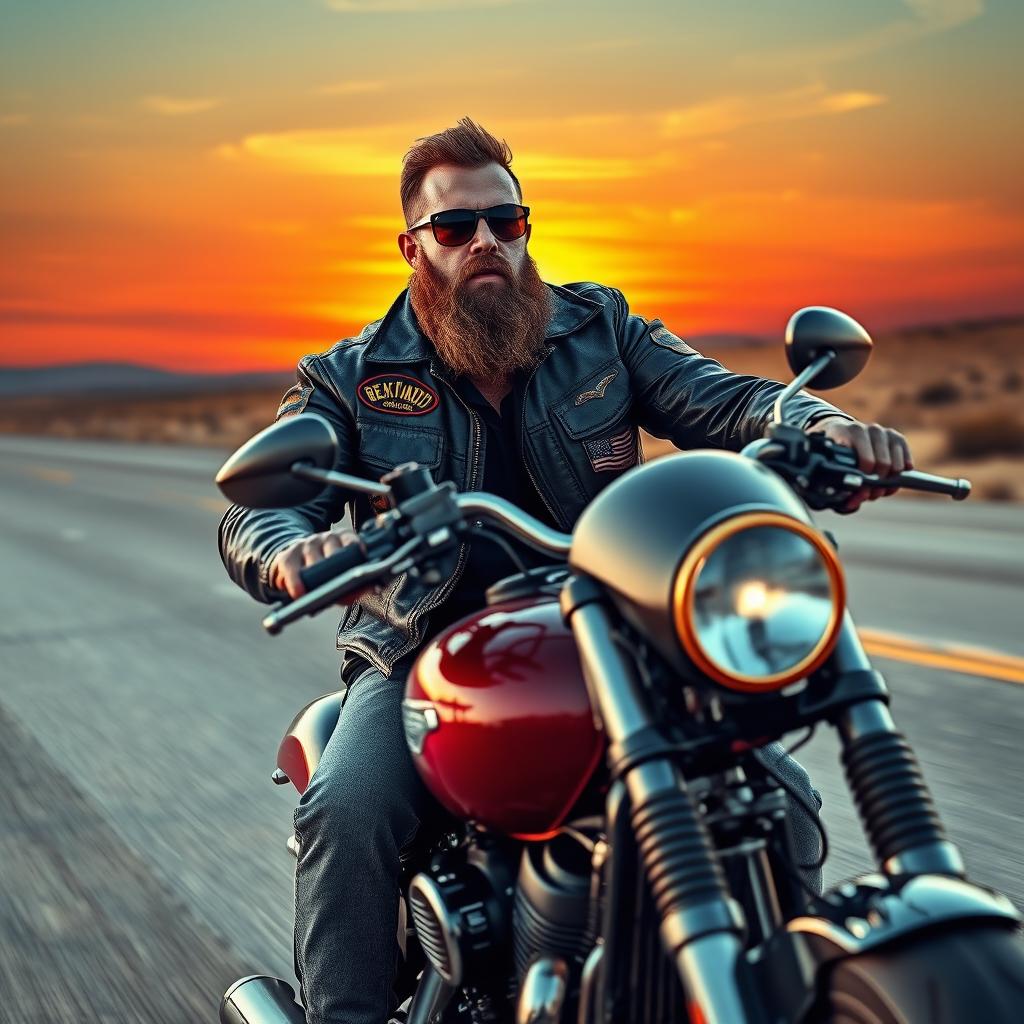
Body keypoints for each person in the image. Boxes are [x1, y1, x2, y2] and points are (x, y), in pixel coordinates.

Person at [219, 117, 913, 1024]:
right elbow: (259, 509)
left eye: (506, 223)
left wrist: (814, 426)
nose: (485, 244)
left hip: (609, 631)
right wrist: (289, 551)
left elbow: (723, 397)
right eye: (455, 228)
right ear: (411, 247)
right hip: (426, 651)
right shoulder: (352, 375)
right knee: (347, 812)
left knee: (773, 792)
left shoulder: (600, 327)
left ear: (525, 228)